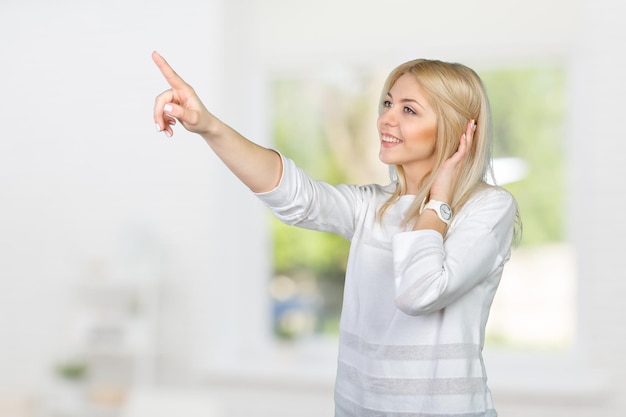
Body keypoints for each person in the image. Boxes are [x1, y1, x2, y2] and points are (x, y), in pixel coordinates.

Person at [152, 51, 520, 417]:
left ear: (457, 131)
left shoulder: (488, 209)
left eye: (408, 110)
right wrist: (209, 126)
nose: (385, 119)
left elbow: (419, 292)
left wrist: (439, 201)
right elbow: (295, 196)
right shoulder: (371, 208)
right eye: (388, 103)